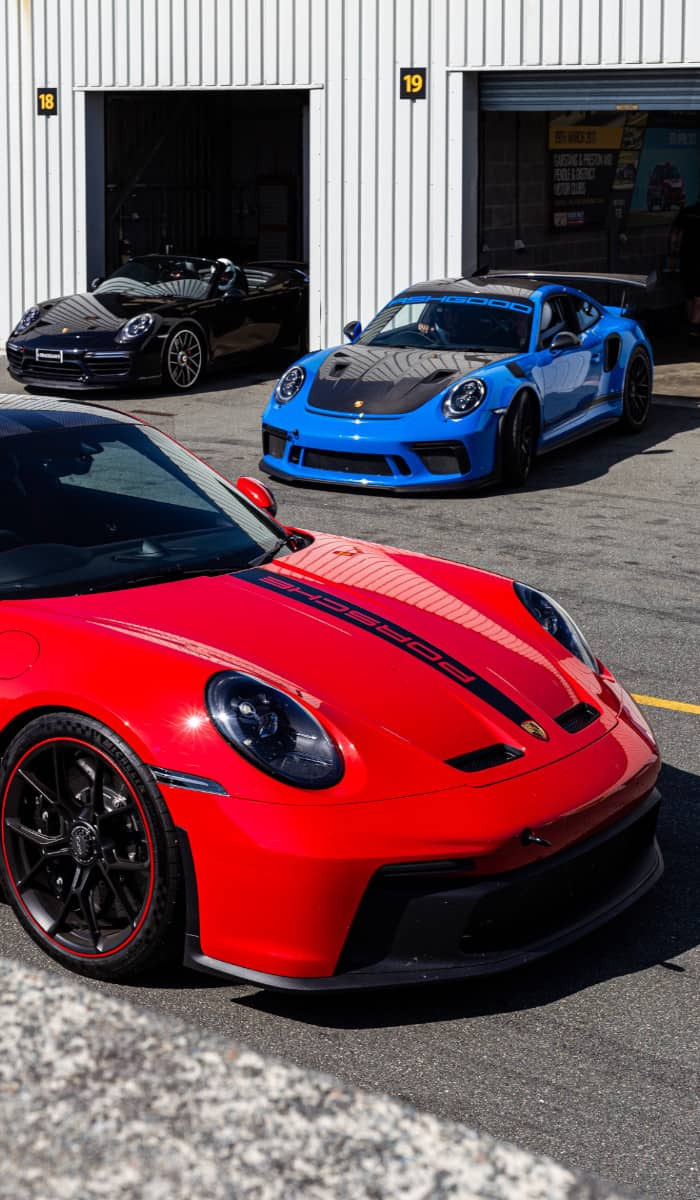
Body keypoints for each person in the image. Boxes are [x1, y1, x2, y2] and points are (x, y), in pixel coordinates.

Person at [670, 198, 700, 342]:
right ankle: (693, 329)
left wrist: (673, 251)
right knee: (697, 297)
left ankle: (691, 327)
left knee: (689, 295)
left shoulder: (687, 212)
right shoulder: (688, 213)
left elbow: (675, 234)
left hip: (686, 259)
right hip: (694, 260)